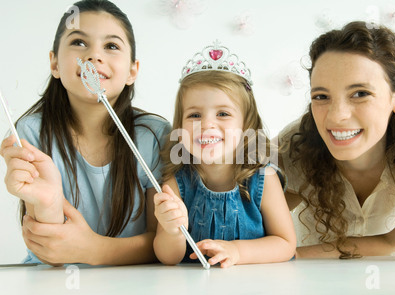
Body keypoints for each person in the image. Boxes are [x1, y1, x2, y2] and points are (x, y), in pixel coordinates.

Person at [0, 0, 171, 265]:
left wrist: (92, 250)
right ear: (54, 63)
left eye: (111, 46)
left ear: (132, 71)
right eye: (79, 43)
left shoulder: (154, 135)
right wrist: (48, 201)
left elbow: (164, 240)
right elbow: (49, 248)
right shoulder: (31, 132)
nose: (94, 56)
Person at [278, 21, 395, 260]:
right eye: (322, 96)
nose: (337, 116)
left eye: (360, 94)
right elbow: (257, 223)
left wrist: (292, 254)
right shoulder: (294, 146)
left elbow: (391, 242)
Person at [153, 41, 296, 268]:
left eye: (222, 113)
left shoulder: (263, 178)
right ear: (179, 129)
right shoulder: (177, 182)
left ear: (246, 125)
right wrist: (172, 232)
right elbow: (167, 257)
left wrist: (237, 251)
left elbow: (286, 243)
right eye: (194, 115)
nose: (207, 124)